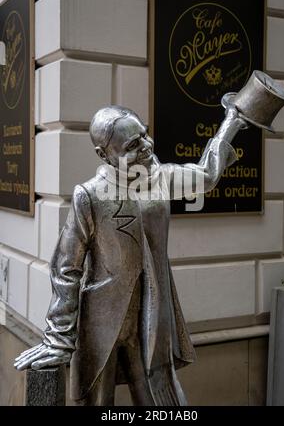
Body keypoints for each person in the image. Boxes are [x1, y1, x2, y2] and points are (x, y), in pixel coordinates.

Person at [15, 104, 246, 406]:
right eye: (133, 145)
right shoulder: (90, 195)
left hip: (152, 315)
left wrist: (233, 119)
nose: (147, 146)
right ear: (104, 154)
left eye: (145, 136)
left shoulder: (160, 177)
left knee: (161, 402)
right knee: (98, 403)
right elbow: (65, 267)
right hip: (101, 323)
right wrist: (59, 337)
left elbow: (205, 175)